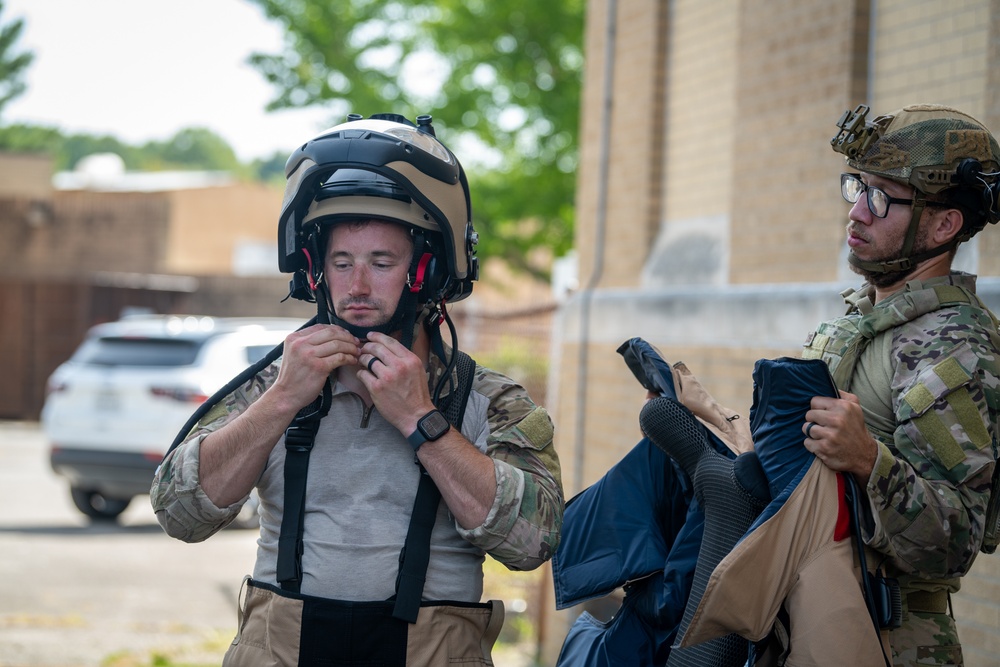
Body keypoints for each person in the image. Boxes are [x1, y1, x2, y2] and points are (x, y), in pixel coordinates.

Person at [150, 113, 564, 666]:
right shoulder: (273, 387)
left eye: (381, 262)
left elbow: (533, 542)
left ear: (427, 271)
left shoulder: (488, 401)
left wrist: (422, 419)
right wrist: (282, 400)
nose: (358, 286)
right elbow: (179, 514)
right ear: (316, 272)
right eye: (341, 263)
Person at [803, 103, 1000, 666]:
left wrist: (868, 458)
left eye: (882, 197)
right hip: (816, 618)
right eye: (858, 188)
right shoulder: (863, 319)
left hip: (891, 639)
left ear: (944, 224)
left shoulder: (952, 347)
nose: (857, 213)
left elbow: (954, 539)